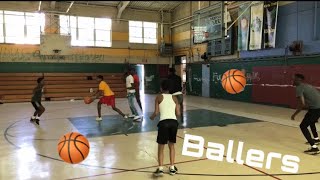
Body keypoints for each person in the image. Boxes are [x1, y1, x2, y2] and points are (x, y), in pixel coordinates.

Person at [150, 80, 181, 176]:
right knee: (171, 146)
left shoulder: (159, 97)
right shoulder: (175, 98)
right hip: (173, 123)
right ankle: (172, 168)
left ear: (161, 88)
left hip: (163, 123)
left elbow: (156, 112)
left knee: (161, 147)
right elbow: (178, 114)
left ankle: (160, 169)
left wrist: (151, 117)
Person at [291, 74, 320, 154]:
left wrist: (294, 114)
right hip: (317, 108)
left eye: (293, 79)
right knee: (311, 121)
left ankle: (314, 147)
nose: (292, 80)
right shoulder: (307, 86)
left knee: (303, 126)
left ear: (298, 80)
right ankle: (316, 139)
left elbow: (302, 104)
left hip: (315, 109)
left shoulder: (299, 88)